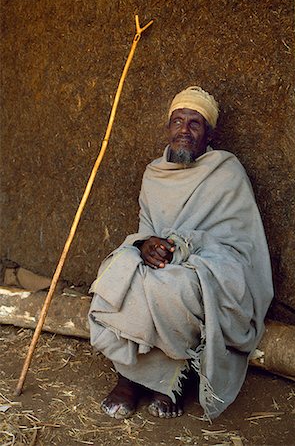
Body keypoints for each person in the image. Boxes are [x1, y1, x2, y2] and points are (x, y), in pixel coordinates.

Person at [88, 86, 273, 421]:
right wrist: (145, 246)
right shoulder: (153, 173)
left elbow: (238, 243)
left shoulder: (226, 172)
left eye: (195, 124)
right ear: (168, 127)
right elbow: (145, 228)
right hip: (158, 258)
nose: (184, 130)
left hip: (207, 263)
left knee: (175, 287)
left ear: (209, 134)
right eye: (178, 121)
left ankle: (167, 381)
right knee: (118, 271)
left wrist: (183, 246)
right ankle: (129, 376)